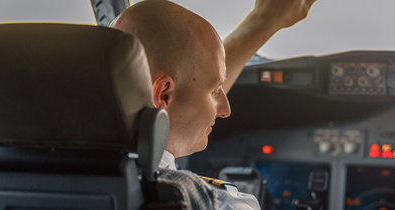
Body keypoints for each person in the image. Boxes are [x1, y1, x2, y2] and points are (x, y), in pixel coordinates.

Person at [111, 0, 315, 209]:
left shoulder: (82, 171)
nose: (226, 110)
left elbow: (190, 82)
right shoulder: (213, 203)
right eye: (215, 90)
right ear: (163, 95)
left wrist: (264, 21)